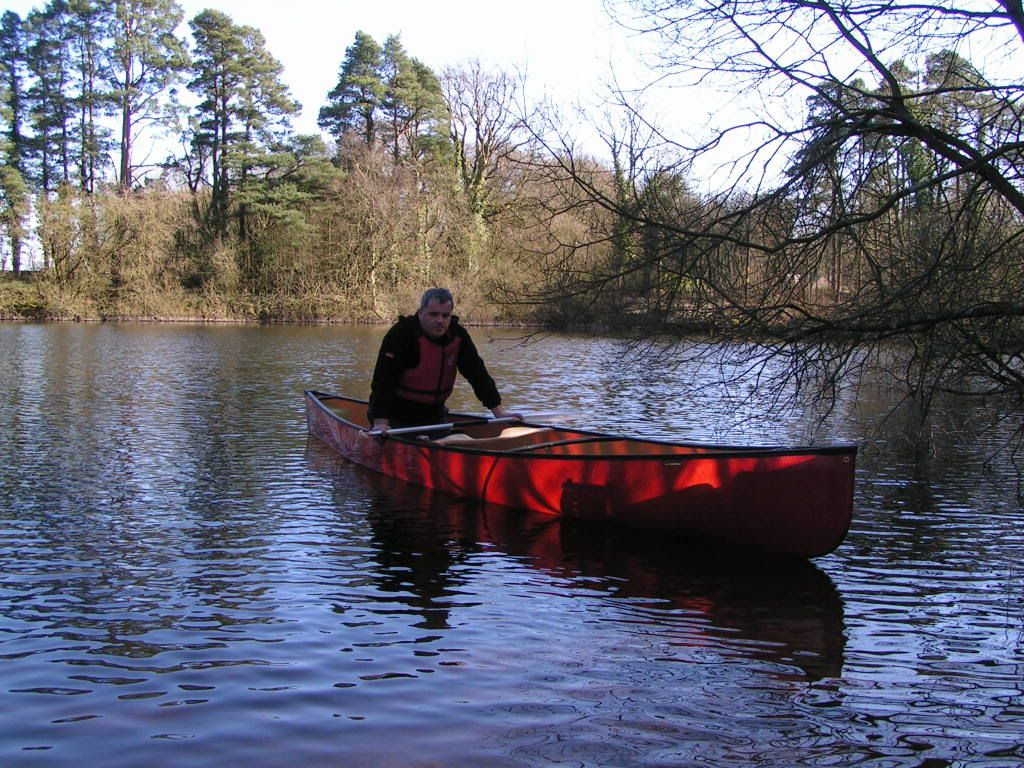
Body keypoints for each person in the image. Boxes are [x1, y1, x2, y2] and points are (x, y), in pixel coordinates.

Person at [367, 288, 517, 433]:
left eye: (446, 316)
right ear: (421, 313)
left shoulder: (458, 336)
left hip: (434, 414)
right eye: (433, 314)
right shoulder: (401, 334)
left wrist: (499, 412)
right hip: (396, 413)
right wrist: (380, 422)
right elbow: (383, 380)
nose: (440, 321)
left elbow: (477, 374)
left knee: (452, 438)